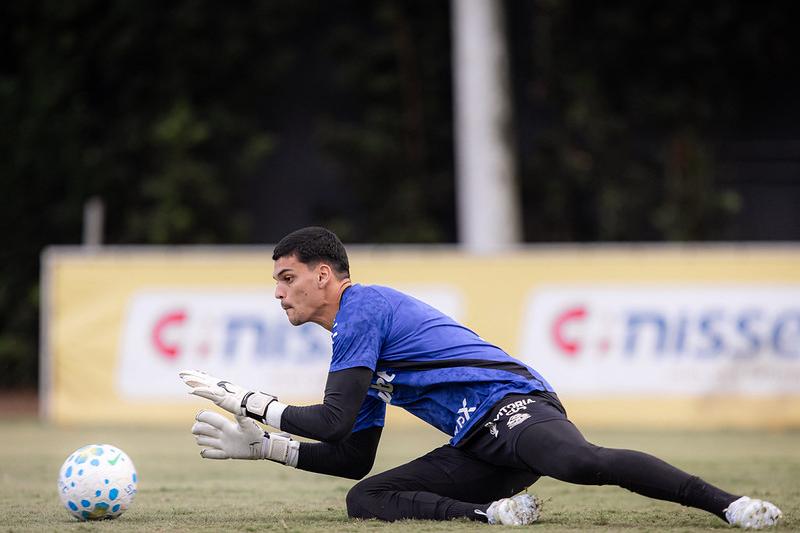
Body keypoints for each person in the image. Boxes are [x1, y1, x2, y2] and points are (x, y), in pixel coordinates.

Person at [180, 226, 782, 528]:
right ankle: (491, 515)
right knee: (365, 500)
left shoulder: (361, 307)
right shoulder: (350, 338)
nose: (279, 293)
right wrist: (269, 449)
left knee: (579, 462)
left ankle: (731, 507)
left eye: (287, 278)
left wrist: (247, 400)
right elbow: (351, 455)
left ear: (323, 276)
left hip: (511, 403)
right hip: (477, 440)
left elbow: (332, 420)